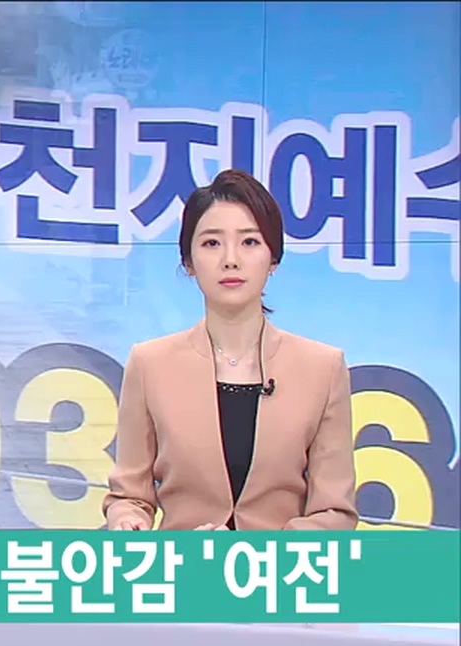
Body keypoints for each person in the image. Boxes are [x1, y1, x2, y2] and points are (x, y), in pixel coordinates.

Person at [103, 169, 358, 532]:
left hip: (282, 566)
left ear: (273, 258)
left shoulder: (323, 368)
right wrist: (129, 522)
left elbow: (335, 514)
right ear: (188, 262)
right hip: (183, 563)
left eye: (249, 242)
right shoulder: (150, 364)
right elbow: (129, 497)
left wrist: (261, 551)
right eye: (211, 243)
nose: (231, 259)